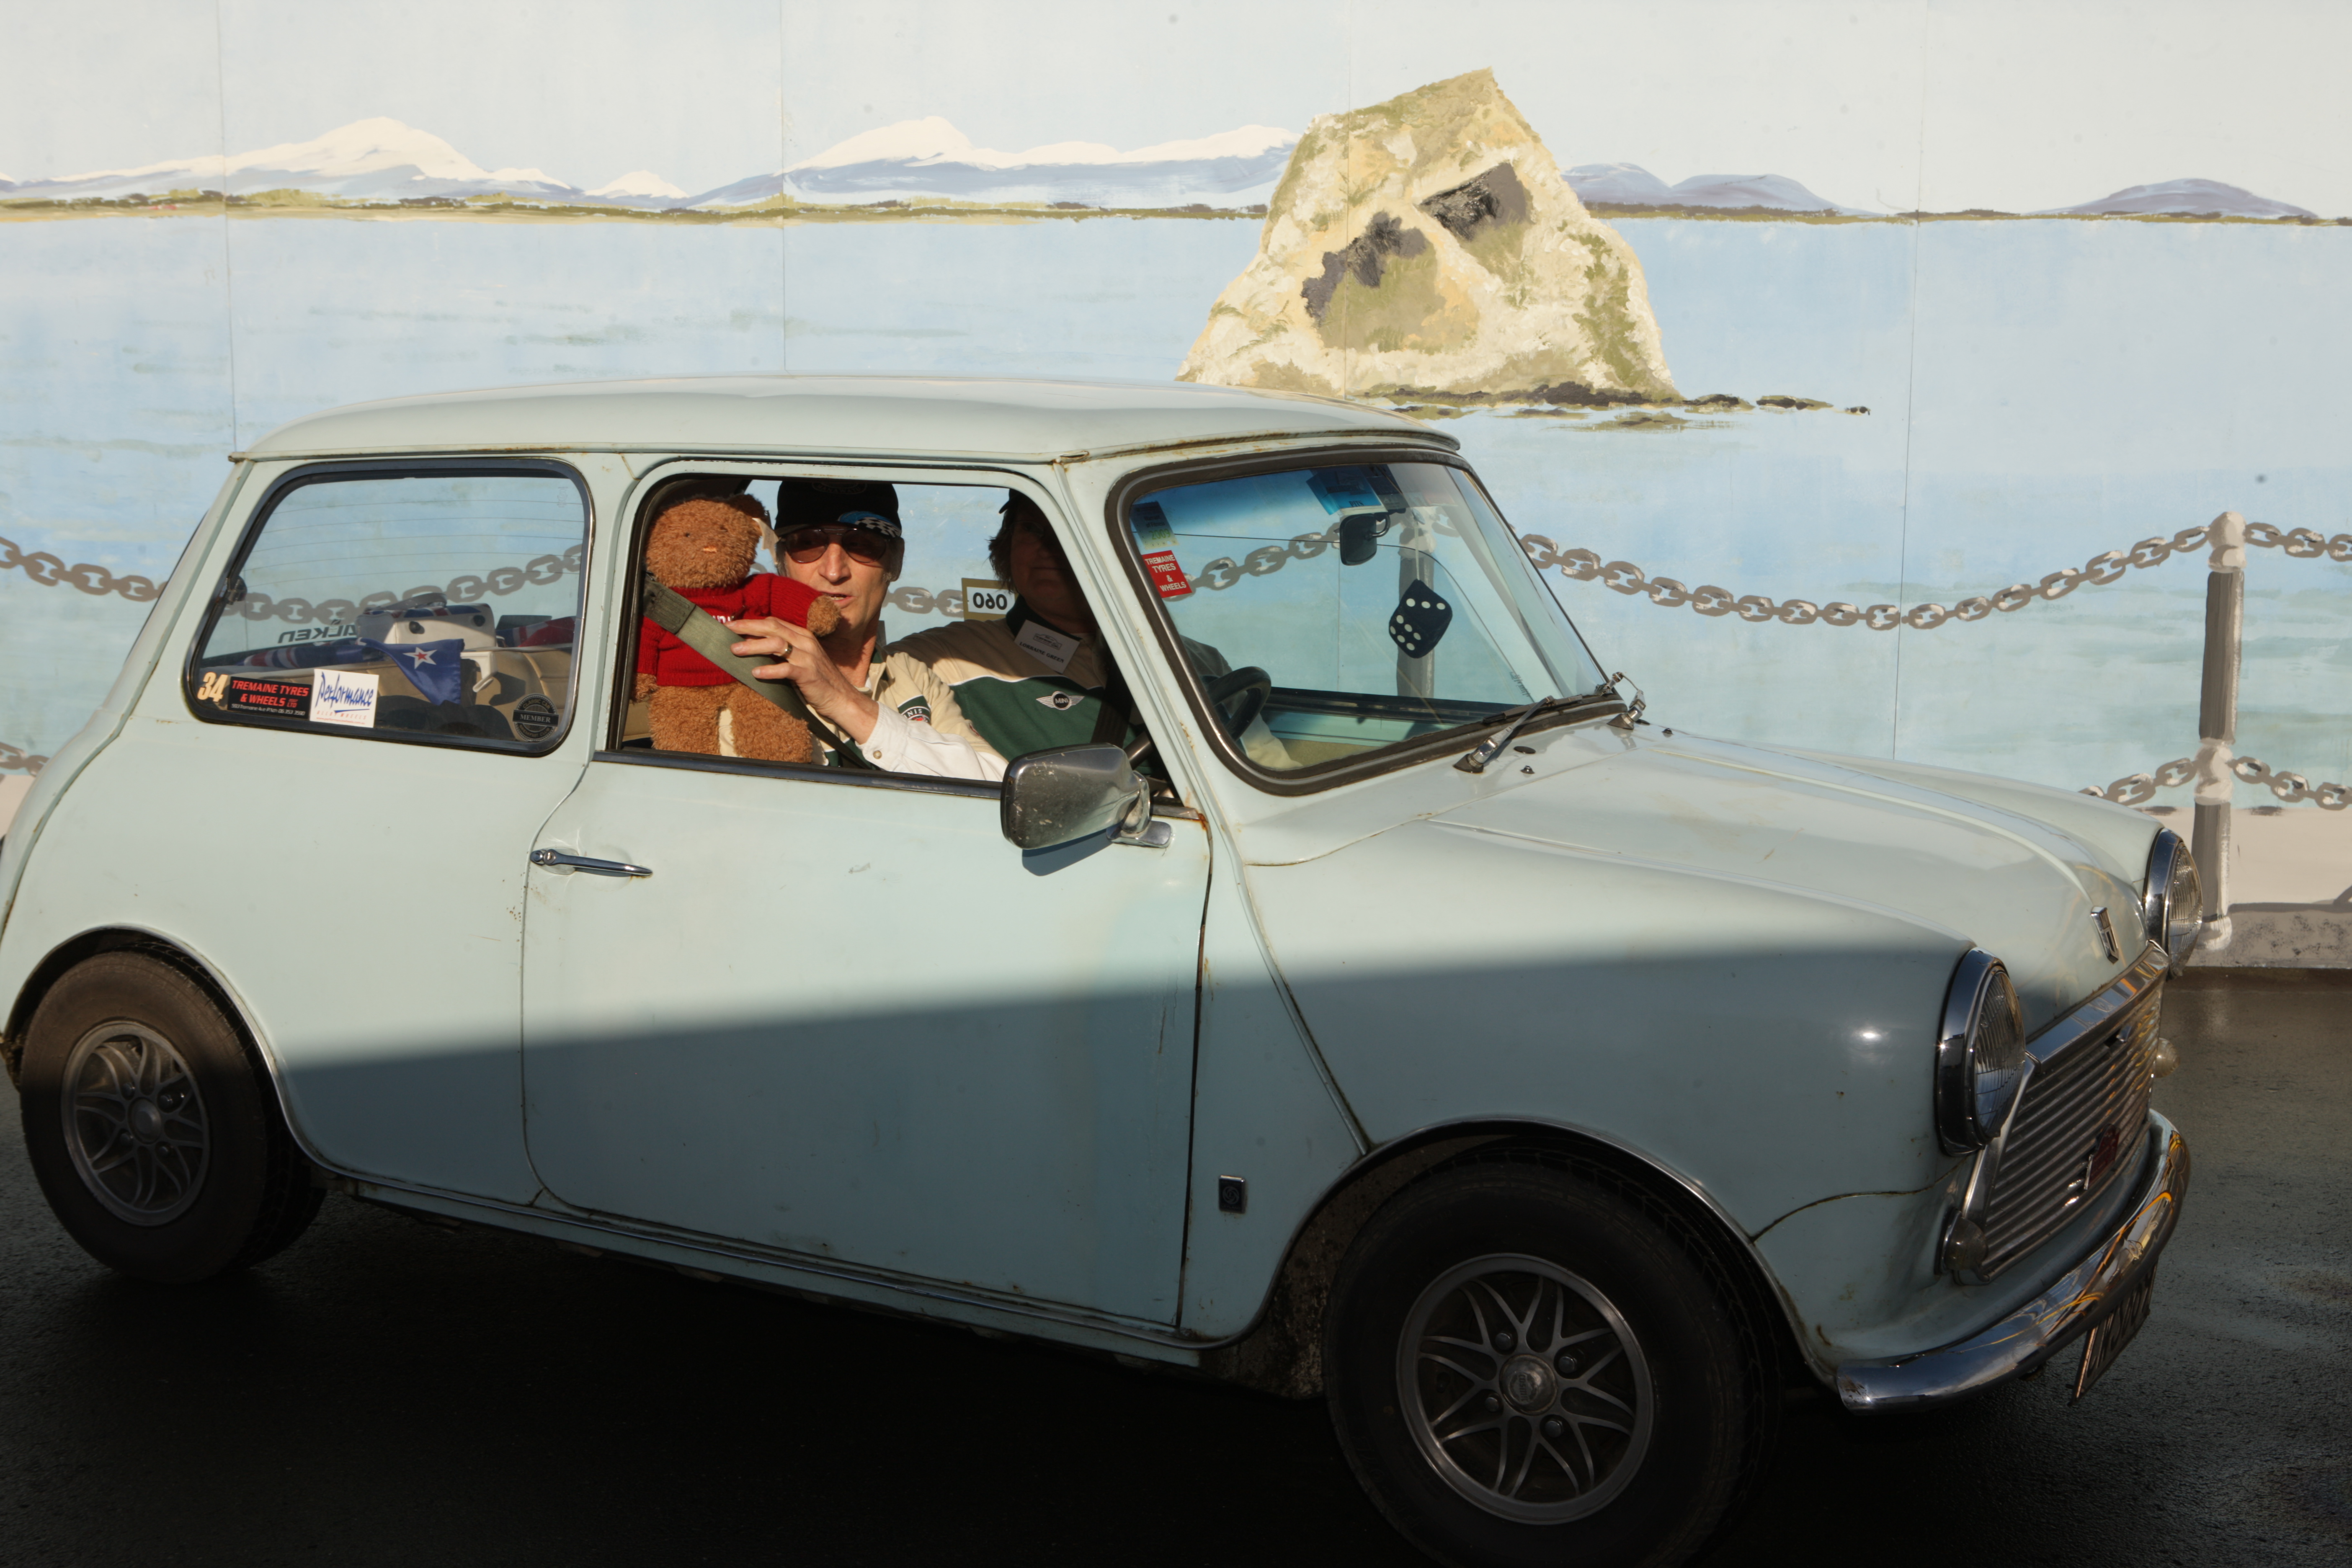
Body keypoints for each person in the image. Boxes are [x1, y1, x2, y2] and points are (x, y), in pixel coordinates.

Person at [892, 493, 1293, 768]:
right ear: (1006, 546)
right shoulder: (941, 659)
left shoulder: (1198, 660)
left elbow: (1269, 769)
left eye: (1070, 531)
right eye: (1032, 529)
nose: (1049, 548)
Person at [723, 480, 1006, 781]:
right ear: (781, 560)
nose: (834, 571)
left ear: (896, 561)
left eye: (861, 544)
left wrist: (844, 701)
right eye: (808, 544)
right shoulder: (739, 676)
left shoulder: (911, 676)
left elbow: (998, 788)